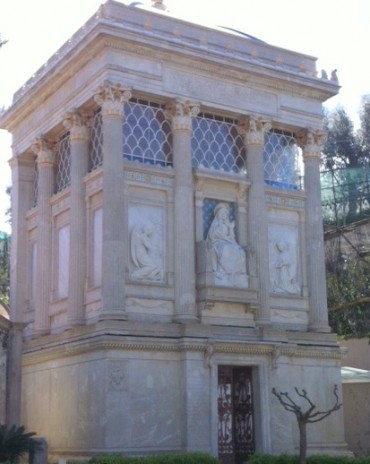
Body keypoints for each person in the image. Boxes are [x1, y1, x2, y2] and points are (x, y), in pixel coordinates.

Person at [206, 203, 247, 287]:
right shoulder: (216, 224)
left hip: (227, 242)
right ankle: (221, 271)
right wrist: (228, 240)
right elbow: (214, 235)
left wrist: (231, 228)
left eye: (226, 214)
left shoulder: (226, 225)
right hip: (217, 242)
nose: (225, 215)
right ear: (219, 214)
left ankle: (233, 272)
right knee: (225, 248)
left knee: (238, 249)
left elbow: (231, 238)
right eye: (223, 213)